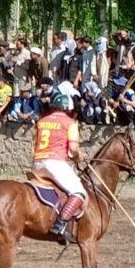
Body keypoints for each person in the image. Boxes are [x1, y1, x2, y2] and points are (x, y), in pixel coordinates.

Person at [32, 93, 85, 243]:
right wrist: (78, 156)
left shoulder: (41, 121)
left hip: (37, 163)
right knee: (79, 192)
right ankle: (61, 223)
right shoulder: (70, 123)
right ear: (68, 108)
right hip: (55, 163)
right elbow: (73, 149)